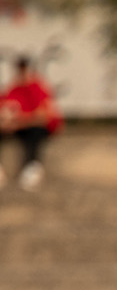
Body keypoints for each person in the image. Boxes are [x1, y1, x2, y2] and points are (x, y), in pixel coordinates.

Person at [0, 57, 63, 191]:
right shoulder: (14, 88)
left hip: (35, 128)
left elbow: (43, 116)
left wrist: (19, 122)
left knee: (35, 132)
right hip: (18, 127)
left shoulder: (37, 88)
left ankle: (32, 167)